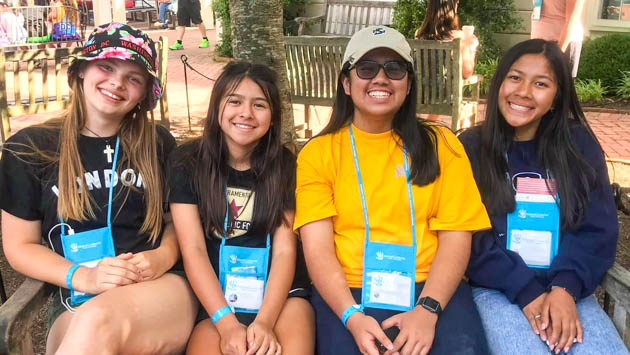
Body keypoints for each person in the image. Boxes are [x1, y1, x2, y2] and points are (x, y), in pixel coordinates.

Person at [0, 22, 198, 354]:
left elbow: (178, 222)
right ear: (80, 72)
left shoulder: (157, 143)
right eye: (106, 66)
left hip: (159, 286)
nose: (116, 83)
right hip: (77, 296)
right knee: (88, 328)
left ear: (143, 94)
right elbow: (20, 246)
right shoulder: (29, 149)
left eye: (133, 78)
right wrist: (84, 277)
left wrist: (163, 256)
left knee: (97, 323)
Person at [295, 25, 491, 355]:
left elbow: (456, 235)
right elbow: (318, 250)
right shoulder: (319, 153)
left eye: (395, 69)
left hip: (431, 288)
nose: (380, 78)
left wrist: (427, 310)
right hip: (349, 292)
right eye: (366, 69)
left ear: (409, 83)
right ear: (346, 83)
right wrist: (352, 317)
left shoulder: (442, 145)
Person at [459, 38, 629, 355]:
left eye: (540, 83)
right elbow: (469, 237)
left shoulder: (577, 145)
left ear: (555, 97)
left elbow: (598, 228)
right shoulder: (471, 148)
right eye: (515, 77)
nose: (523, 91)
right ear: (499, 84)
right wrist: (525, 290)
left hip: (569, 289)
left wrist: (564, 288)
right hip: (498, 289)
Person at [169, 62, 315, 355]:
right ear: (216, 107)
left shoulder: (286, 166)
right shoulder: (186, 163)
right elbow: (193, 249)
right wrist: (226, 323)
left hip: (280, 297)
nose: (246, 113)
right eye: (234, 101)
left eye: (259, 104)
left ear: (273, 117)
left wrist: (264, 322)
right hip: (216, 297)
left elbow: (285, 250)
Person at [414, 0, 479, 123]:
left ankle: (430, 124)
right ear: (451, 9)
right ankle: (459, 136)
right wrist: (471, 48)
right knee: (463, 108)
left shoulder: (419, 34)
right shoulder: (459, 36)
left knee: (439, 86)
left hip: (421, 93)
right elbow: (467, 73)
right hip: (445, 96)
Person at [530, 0, 585, 77]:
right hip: (538, 41)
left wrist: (558, 52)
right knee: (538, 81)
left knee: (559, 83)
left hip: (561, 43)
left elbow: (572, 21)